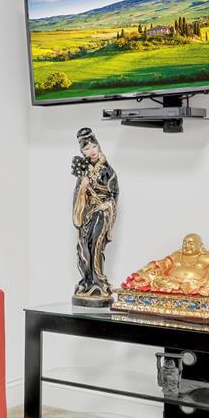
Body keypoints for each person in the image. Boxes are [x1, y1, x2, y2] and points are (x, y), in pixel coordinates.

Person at [70, 126, 118, 305]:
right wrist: (82, 187)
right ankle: (87, 280)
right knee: (84, 247)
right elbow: (77, 195)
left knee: (96, 245)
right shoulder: (82, 171)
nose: (91, 151)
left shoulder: (108, 171)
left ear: (98, 146)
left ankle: (98, 280)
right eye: (86, 149)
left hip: (101, 213)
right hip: (87, 213)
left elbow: (114, 194)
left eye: (93, 147)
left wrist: (107, 204)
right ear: (82, 151)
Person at [130, 233, 209, 297]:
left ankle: (206, 289)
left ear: (200, 246)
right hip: (170, 282)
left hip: (197, 284)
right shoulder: (176, 255)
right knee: (152, 276)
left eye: (190, 243)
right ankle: (178, 286)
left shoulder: (208, 256)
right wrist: (147, 268)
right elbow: (162, 263)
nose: (186, 246)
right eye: (184, 243)